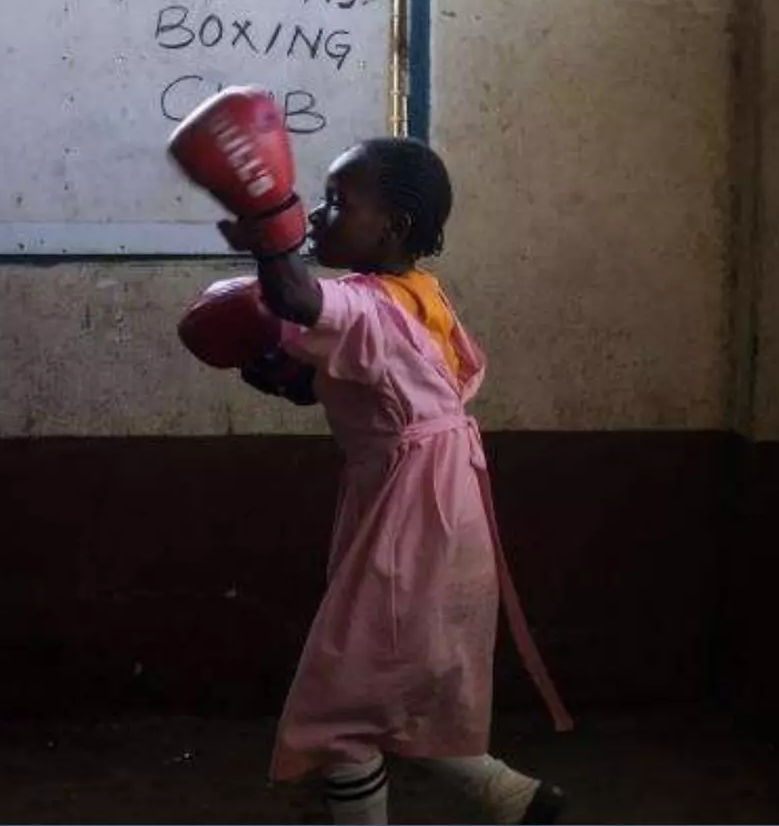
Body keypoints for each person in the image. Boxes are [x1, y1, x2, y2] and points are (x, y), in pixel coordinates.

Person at [219, 136, 574, 826]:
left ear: (394, 228)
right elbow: (387, 385)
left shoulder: (363, 301)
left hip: (412, 516)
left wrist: (268, 226)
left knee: (340, 705)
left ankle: (489, 798)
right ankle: (513, 799)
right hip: (439, 505)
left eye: (336, 203)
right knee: (398, 679)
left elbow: (294, 296)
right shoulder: (420, 296)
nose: (320, 217)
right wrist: (291, 380)